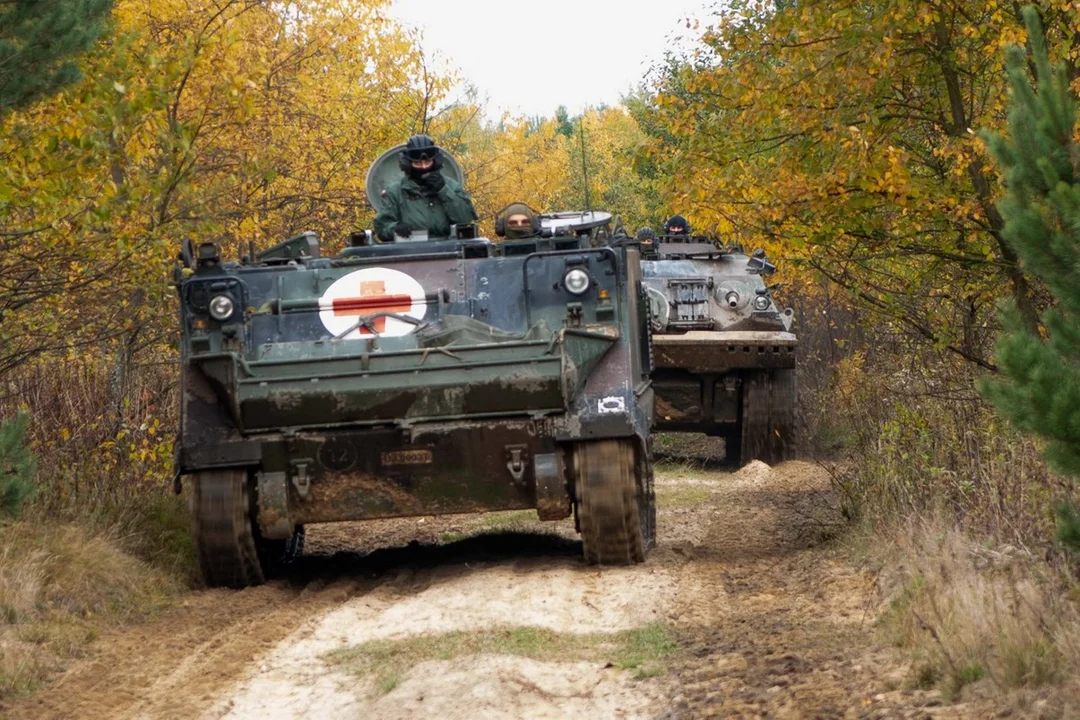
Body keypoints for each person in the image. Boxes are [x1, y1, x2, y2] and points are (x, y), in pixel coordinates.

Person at [374, 134, 478, 241]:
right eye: (417, 163)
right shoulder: (395, 192)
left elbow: (465, 220)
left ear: (435, 162)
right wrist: (394, 228)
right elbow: (382, 228)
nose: (423, 167)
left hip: (448, 248)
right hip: (409, 250)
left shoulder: (451, 186)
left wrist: (443, 190)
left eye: (427, 162)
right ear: (408, 164)